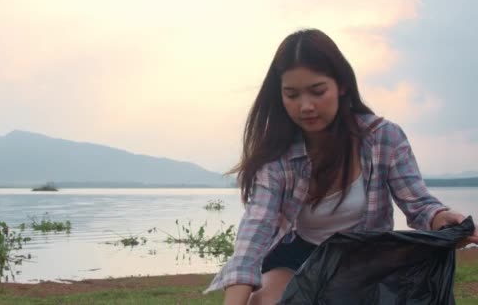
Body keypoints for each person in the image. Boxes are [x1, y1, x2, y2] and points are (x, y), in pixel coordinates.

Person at [205, 28, 478, 305]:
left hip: (366, 261)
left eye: (317, 91)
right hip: (300, 257)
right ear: (280, 95)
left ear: (342, 85)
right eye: (292, 94)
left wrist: (442, 218)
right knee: (265, 300)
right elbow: (256, 228)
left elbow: (419, 204)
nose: (306, 106)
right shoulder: (277, 157)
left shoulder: (383, 138)